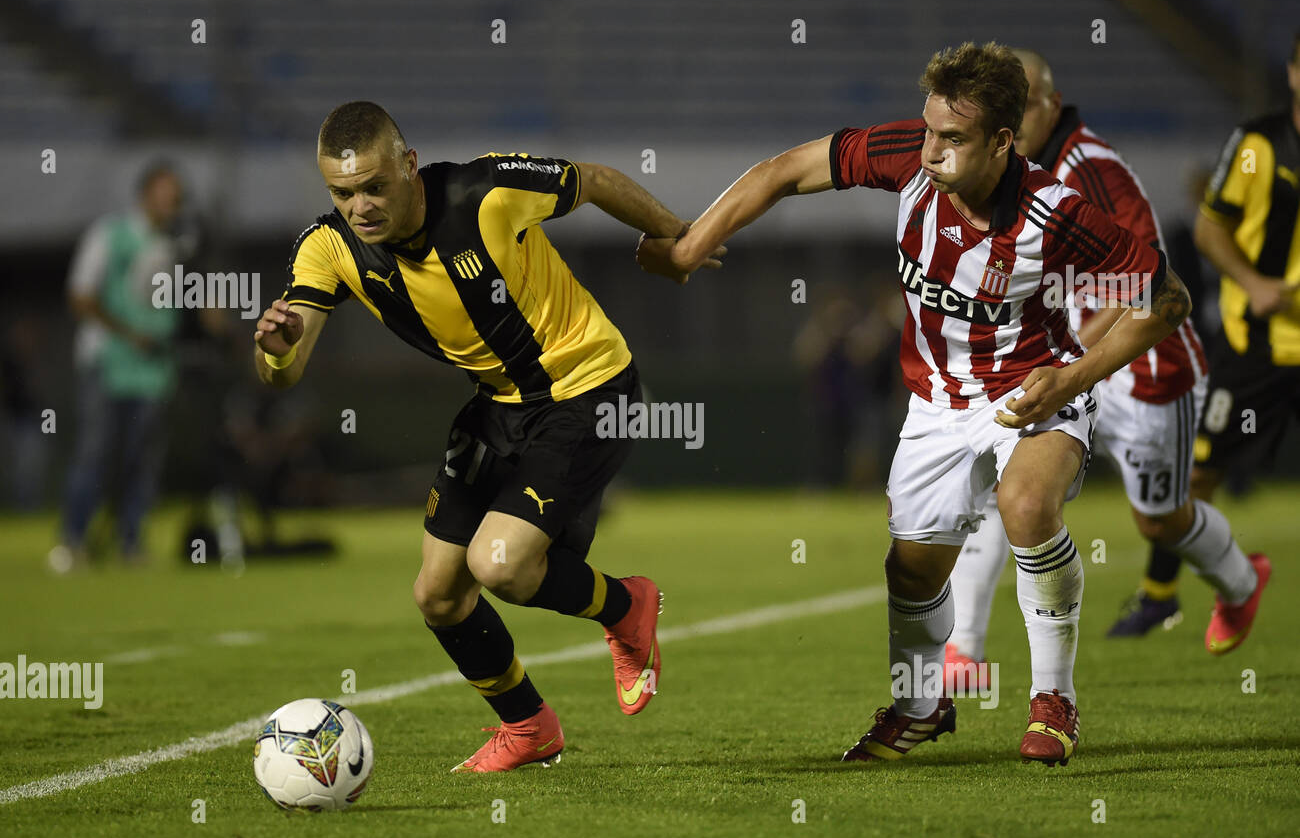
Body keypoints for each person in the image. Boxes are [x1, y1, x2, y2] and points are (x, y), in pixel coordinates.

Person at [638, 42, 1193, 766]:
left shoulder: (1055, 212)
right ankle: (920, 704)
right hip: (934, 404)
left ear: (1003, 141)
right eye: (929, 130)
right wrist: (688, 249)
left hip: (1033, 388)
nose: (930, 150)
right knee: (911, 571)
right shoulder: (907, 152)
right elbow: (783, 171)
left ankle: (1053, 699)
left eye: (952, 138)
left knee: (1026, 507)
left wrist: (1074, 377)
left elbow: (1167, 298)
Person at [254, 101, 721, 772]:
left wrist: (679, 239)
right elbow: (285, 371)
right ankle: (529, 726)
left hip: (587, 388)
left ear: (409, 166)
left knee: (499, 563)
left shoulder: (486, 193)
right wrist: (276, 349)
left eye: (375, 187)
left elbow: (591, 180)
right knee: (438, 594)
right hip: (498, 403)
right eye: (343, 192)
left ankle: (627, 605)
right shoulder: (327, 248)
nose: (360, 206)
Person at [942, 49, 1266, 681]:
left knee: (1159, 518)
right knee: (994, 479)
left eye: (1022, 100)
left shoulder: (1087, 167)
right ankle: (965, 652)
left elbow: (1150, 280)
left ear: (1049, 106)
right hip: (1071, 360)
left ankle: (1239, 581)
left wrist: (1064, 354)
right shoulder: (1013, 170)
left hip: (1145, 366)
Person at [1135, 30, 1300, 642]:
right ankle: (1185, 592)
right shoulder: (1259, 144)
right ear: (1292, 74)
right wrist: (1254, 282)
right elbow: (1210, 230)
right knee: (1198, 477)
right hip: (1257, 346)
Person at [50, 161, 187, 571]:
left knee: (141, 458)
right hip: (106, 362)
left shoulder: (173, 245)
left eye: (176, 195)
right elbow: (80, 296)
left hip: (153, 369)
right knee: (95, 453)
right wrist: (129, 334)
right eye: (166, 193)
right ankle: (72, 541)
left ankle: (132, 542)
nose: (173, 202)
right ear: (145, 194)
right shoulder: (108, 235)